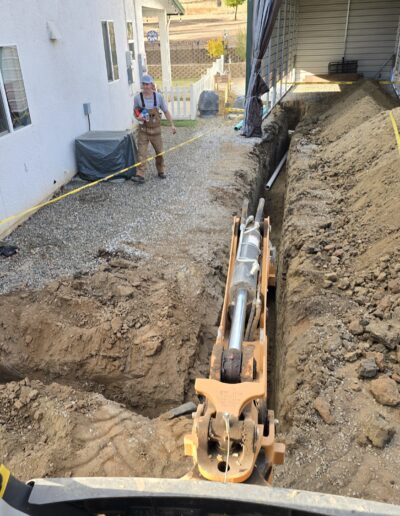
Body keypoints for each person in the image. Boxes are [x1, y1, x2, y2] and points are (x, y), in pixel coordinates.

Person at [133, 74, 176, 183]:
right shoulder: (138, 98)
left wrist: (172, 124)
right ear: (142, 85)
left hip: (156, 131)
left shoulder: (159, 97)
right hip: (143, 130)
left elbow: (166, 111)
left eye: (148, 84)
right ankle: (140, 175)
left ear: (152, 85)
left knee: (159, 152)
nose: (146, 86)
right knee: (141, 153)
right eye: (144, 84)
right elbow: (135, 111)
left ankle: (161, 170)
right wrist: (138, 116)